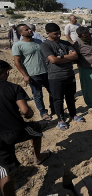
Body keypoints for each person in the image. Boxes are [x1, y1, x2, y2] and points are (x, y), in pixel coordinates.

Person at [0, 61, 51, 196]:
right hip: (16, 131)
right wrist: (30, 114)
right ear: (7, 72)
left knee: (5, 170)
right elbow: (26, 111)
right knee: (37, 130)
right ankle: (38, 157)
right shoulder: (13, 88)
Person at [40, 23, 85, 130]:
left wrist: (60, 57)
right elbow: (53, 60)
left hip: (69, 74)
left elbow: (75, 56)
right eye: (56, 34)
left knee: (70, 97)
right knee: (58, 99)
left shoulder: (65, 43)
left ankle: (73, 114)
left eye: (59, 33)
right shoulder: (45, 45)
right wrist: (66, 57)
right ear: (48, 33)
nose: (59, 35)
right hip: (55, 76)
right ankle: (60, 119)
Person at [12, 24, 54, 121]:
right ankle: (43, 112)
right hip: (33, 74)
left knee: (53, 91)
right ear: (20, 33)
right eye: (26, 30)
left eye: (30, 29)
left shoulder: (39, 41)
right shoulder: (18, 45)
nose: (30, 30)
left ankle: (54, 108)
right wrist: (25, 75)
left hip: (46, 72)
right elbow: (17, 62)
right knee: (38, 94)